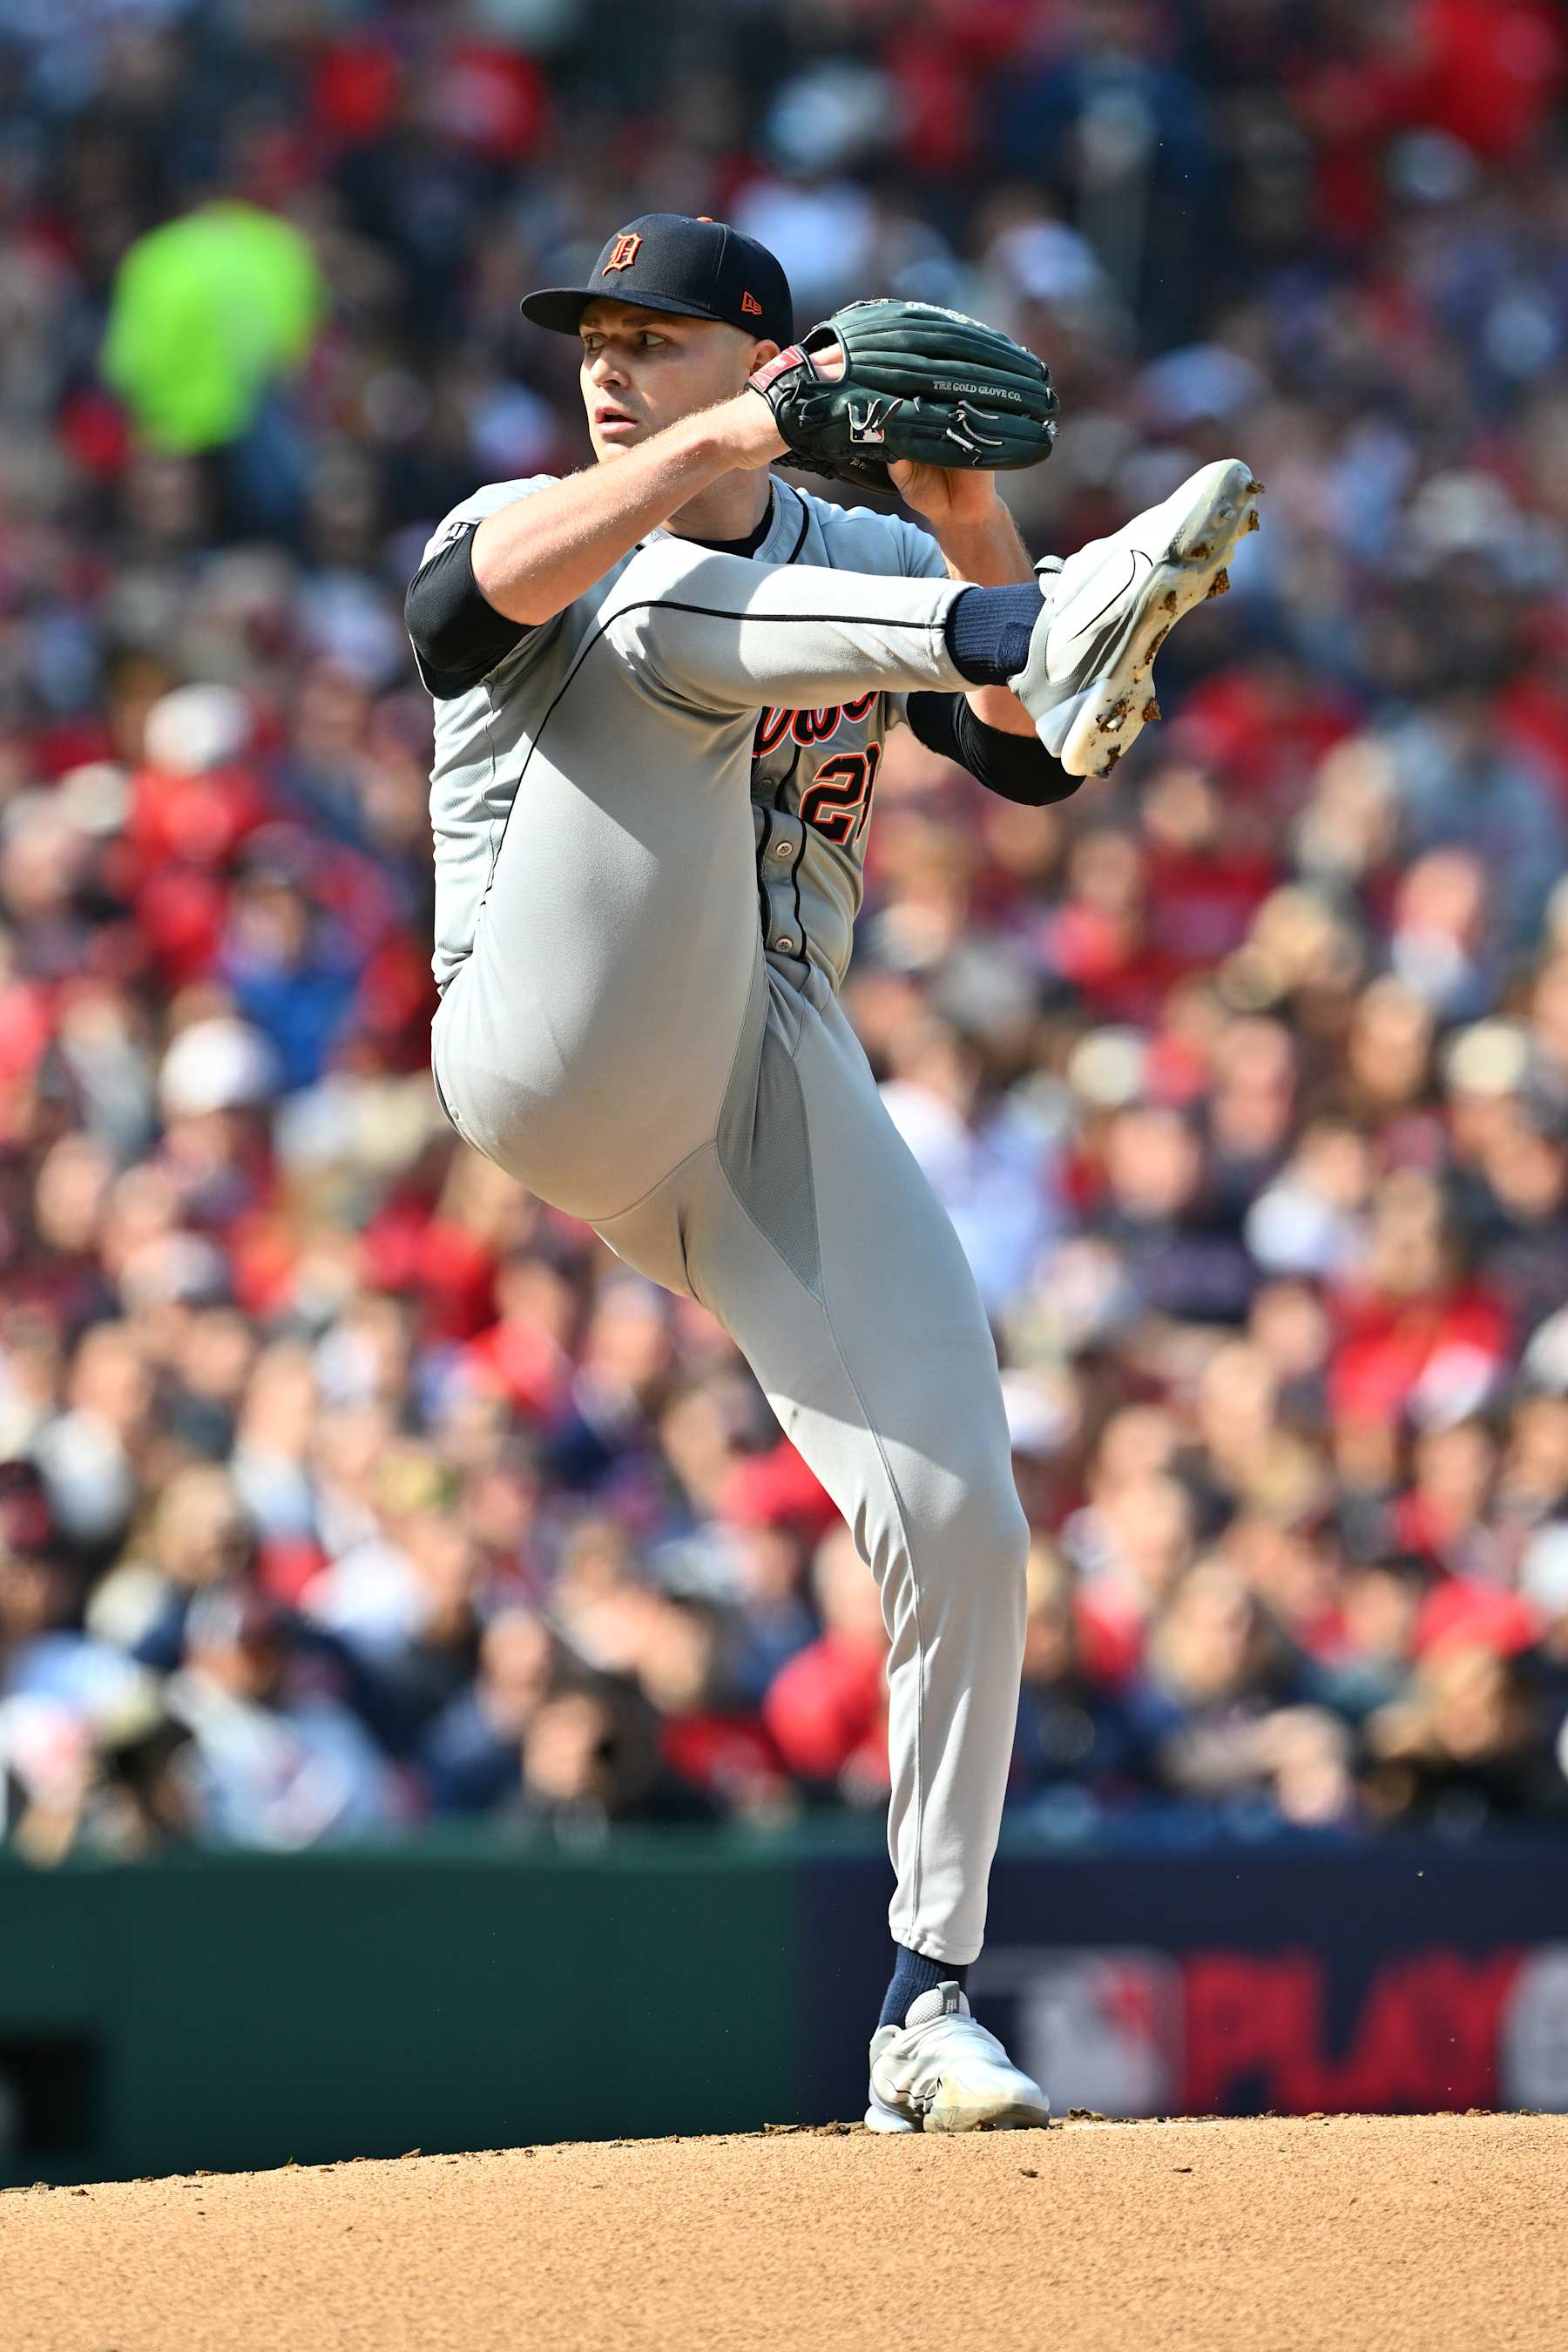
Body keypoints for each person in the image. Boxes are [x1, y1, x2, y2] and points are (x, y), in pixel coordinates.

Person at [405, 213, 1256, 2132]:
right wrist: (734, 458)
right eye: (594, 337)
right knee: (643, 626)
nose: (612, 367)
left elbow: (1042, 764)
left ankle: (926, 2005)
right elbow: (451, 623)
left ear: (767, 353)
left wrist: (962, 520)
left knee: (960, 1508)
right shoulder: (541, 508)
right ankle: (1042, 599)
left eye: (661, 337)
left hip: (770, 1048)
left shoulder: (855, 541)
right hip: (550, 1026)